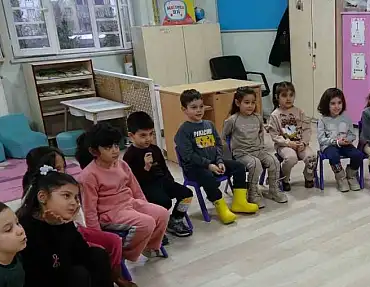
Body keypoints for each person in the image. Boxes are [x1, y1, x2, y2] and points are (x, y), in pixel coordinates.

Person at [17, 167, 124, 287]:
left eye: (75, 197)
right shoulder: (25, 227)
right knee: (78, 274)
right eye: (66, 196)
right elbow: (51, 265)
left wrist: (65, 226)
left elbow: (81, 252)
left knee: (97, 254)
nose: (74, 202)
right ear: (42, 197)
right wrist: (55, 229)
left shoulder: (60, 219)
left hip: (60, 271)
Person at [22, 146, 138, 287]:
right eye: (57, 168)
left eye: (63, 167)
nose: (61, 172)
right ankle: (105, 283)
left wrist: (70, 221)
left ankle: (114, 279)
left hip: (76, 228)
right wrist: (60, 225)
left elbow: (77, 224)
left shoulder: (66, 187)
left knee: (110, 244)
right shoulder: (35, 203)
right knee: (92, 257)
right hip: (58, 252)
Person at [76, 123, 170, 263]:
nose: (115, 150)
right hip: (110, 214)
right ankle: (123, 253)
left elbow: (136, 190)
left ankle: (149, 247)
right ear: (94, 151)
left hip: (129, 204)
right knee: (146, 223)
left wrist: (145, 207)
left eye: (116, 145)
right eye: (108, 147)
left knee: (162, 213)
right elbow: (89, 210)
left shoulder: (122, 165)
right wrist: (98, 237)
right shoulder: (89, 175)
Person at [174, 88, 259, 224]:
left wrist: (219, 161)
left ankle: (239, 202)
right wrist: (208, 165)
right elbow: (188, 155)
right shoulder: (183, 130)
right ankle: (221, 208)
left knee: (238, 166)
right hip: (194, 169)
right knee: (207, 176)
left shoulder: (209, 125)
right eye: (194, 107)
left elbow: (218, 145)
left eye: (201, 106)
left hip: (214, 163)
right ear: (184, 109)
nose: (199, 110)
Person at [123, 111, 193, 237]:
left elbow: (164, 169)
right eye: (143, 135)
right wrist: (146, 168)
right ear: (131, 135)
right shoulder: (129, 155)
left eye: (151, 134)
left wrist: (171, 182)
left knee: (186, 194)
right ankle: (157, 227)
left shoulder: (155, 149)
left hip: (162, 181)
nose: (148, 139)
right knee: (164, 202)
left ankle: (175, 220)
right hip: (145, 187)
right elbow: (131, 181)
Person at [223, 86, 288, 207]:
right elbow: (224, 137)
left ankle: (273, 190)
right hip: (241, 154)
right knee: (255, 163)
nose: (250, 106)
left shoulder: (258, 117)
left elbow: (260, 134)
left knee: (274, 161)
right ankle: (252, 193)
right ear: (238, 103)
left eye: (253, 102)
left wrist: (262, 149)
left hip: (258, 150)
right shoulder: (232, 120)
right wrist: (229, 155)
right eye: (247, 102)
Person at [267, 81, 317, 190]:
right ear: (277, 97)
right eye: (284, 95)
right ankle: (284, 179)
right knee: (291, 158)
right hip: (284, 145)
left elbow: (307, 129)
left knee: (312, 157)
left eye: (291, 95)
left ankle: (308, 176)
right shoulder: (275, 115)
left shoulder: (300, 112)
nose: (288, 98)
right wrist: (288, 143)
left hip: (300, 143)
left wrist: (304, 143)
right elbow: (274, 135)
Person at [317, 87, 363, 192]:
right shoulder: (322, 120)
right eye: (333, 103)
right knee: (333, 155)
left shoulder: (346, 117)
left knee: (358, 155)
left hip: (344, 145)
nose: (337, 106)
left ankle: (351, 175)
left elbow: (352, 134)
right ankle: (341, 177)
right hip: (329, 146)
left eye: (339, 103)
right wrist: (336, 142)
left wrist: (348, 140)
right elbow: (321, 139)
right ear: (326, 104)